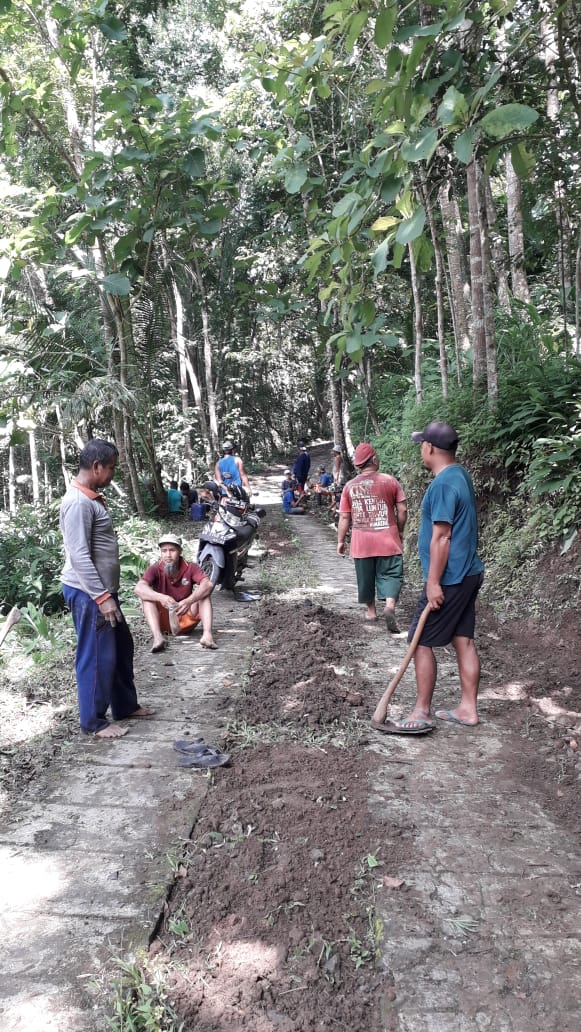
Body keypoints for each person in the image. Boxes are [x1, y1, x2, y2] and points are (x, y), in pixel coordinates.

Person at [391, 421, 485, 734]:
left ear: (430, 448)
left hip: (450, 578)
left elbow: (442, 537)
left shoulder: (443, 485)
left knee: (420, 641)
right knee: (463, 639)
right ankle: (468, 709)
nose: (421, 448)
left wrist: (433, 583)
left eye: (422, 444)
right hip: (469, 572)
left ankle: (422, 711)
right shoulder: (460, 474)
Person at [60, 439, 154, 739]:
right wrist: (101, 597)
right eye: (111, 468)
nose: (113, 474)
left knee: (121, 647)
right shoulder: (77, 503)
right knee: (97, 656)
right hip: (89, 594)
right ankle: (93, 722)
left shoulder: (90, 499)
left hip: (102, 592)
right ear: (97, 466)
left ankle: (124, 705)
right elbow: (78, 555)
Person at [337, 442, 407, 632]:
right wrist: (399, 530)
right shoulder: (390, 481)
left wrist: (341, 541)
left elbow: (344, 516)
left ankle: (371, 611)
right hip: (388, 538)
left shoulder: (349, 486)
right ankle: (390, 605)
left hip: (362, 542)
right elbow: (402, 509)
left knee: (365, 577)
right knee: (391, 573)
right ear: (374, 459)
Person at [135, 533, 217, 652]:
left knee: (204, 595)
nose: (168, 555)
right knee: (147, 598)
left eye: (172, 550)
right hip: (164, 620)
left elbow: (207, 584)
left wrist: (189, 601)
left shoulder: (191, 567)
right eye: (164, 551)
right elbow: (139, 588)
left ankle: (207, 635)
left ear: (180, 551)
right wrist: (160, 597)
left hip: (186, 617)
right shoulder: (155, 568)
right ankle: (158, 638)